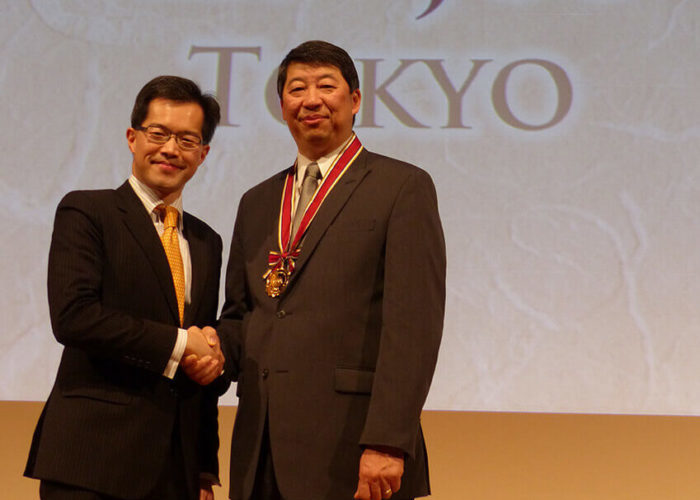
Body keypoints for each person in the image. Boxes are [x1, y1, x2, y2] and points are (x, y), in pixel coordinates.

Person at [218, 40, 446, 500]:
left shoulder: (402, 186)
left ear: (356, 99)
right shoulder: (257, 201)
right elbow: (242, 315)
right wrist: (198, 349)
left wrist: (386, 441)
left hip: (354, 449)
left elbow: (413, 328)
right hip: (260, 450)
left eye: (327, 85)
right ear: (282, 106)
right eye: (297, 88)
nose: (311, 99)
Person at [25, 75, 227, 500]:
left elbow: (199, 357)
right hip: (91, 462)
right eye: (159, 133)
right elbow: (74, 317)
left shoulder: (208, 241)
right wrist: (181, 344)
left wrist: (204, 468)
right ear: (133, 138)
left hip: (175, 473)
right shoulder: (87, 210)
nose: (171, 149)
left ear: (203, 154)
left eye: (187, 140)